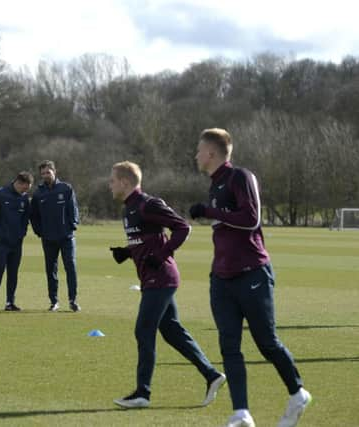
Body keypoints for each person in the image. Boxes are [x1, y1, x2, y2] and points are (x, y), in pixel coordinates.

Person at [190, 128, 311, 427]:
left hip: (252, 273)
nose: (195, 155)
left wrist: (208, 211)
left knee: (266, 342)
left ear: (211, 153)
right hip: (221, 278)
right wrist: (210, 210)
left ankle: (297, 393)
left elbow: (251, 219)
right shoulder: (214, 185)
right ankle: (241, 413)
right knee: (228, 345)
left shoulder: (240, 177)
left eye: (198, 149)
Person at [108, 161, 226, 409]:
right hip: (153, 278)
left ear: (125, 183)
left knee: (143, 330)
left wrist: (160, 255)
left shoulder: (147, 204)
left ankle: (143, 393)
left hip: (161, 277)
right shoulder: (128, 208)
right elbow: (146, 239)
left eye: (112, 180)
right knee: (171, 331)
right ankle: (212, 375)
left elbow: (182, 227)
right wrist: (128, 252)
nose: (110, 184)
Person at [30, 160, 81, 312]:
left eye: (48, 172)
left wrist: (72, 225)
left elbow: (74, 209)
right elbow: (34, 215)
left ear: (54, 171)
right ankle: (54, 301)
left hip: (66, 237)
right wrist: (39, 231)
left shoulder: (66, 188)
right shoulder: (39, 193)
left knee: (70, 268)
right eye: (43, 173)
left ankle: (73, 300)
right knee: (51, 271)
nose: (46, 175)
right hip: (48, 238)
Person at [0, 172, 34, 311]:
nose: (25, 191)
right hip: (1, 241)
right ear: (18, 182)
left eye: (27, 189)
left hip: (17, 242)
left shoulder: (24, 198)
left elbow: (25, 219)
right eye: (24, 188)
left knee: (13, 272)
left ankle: (10, 302)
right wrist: (1, 231)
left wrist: (22, 233)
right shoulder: (0, 194)